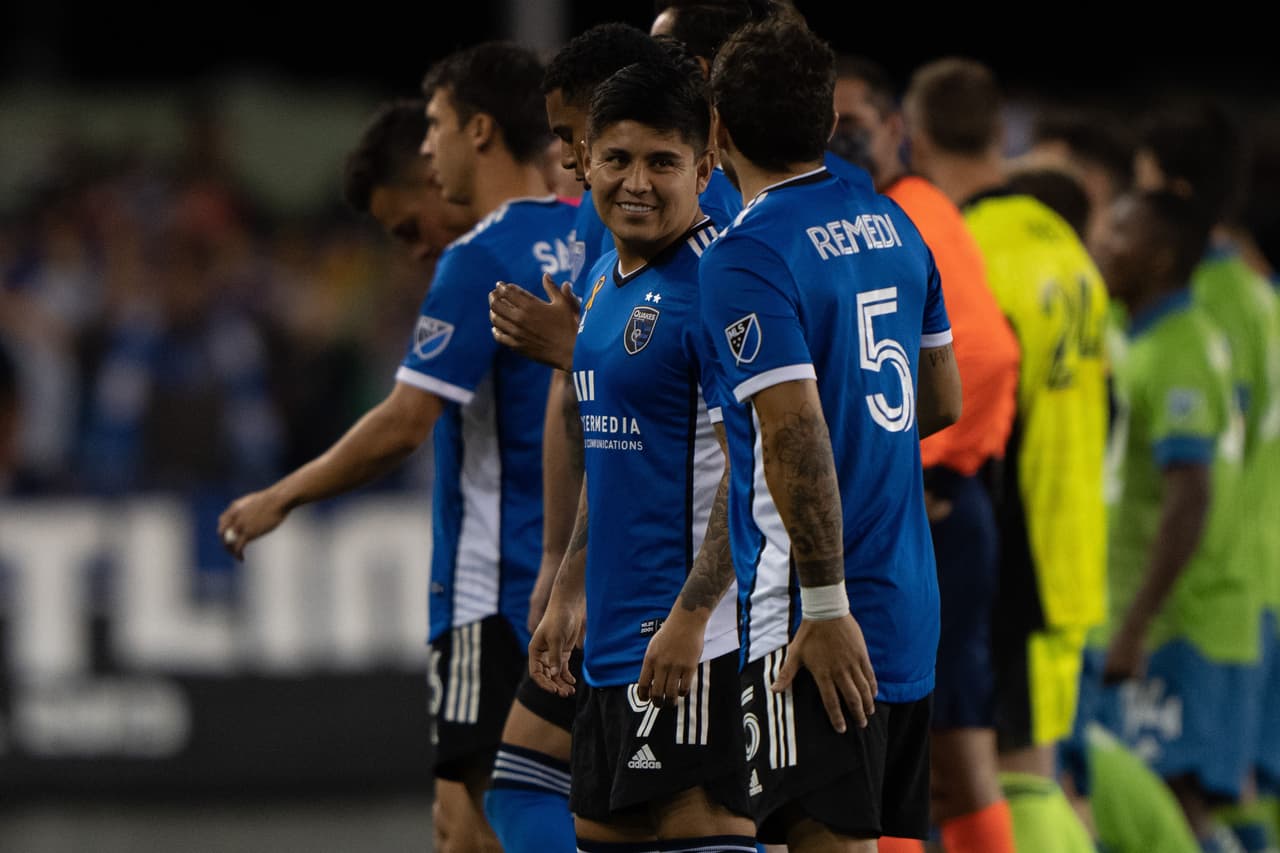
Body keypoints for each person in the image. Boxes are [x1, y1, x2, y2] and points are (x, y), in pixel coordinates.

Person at [217, 41, 574, 851]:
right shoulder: (597, 231)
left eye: (438, 127)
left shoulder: (481, 258)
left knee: (480, 821)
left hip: (497, 588)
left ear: (477, 133)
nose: (430, 146)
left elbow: (405, 422)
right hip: (586, 582)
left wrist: (281, 494)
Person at [667, 19, 960, 851]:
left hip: (813, 618)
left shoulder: (746, 254)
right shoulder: (894, 222)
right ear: (829, 120)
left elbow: (792, 431)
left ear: (716, 129)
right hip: (906, 601)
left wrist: (826, 604)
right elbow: (943, 398)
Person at [528, 57, 754, 852]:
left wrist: (693, 618)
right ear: (586, 161)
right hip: (615, 640)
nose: (636, 182)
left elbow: (751, 469)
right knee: (599, 831)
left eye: (662, 161)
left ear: (704, 167)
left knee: (697, 828)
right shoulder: (601, 279)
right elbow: (616, 448)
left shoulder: (721, 285)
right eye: (617, 158)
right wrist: (569, 586)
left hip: (696, 643)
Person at [482, 24, 690, 853]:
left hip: (674, 584)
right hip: (617, 567)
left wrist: (572, 349)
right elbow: (603, 408)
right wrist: (565, 572)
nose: (564, 156)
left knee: (714, 817)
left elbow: (668, 406)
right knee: (578, 805)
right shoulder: (604, 241)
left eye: (572, 134)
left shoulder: (679, 235)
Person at [903, 57, 1108, 853]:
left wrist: (933, 472)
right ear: (999, 134)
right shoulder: (1064, 243)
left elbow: (981, 368)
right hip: (1072, 544)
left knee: (1001, 776)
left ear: (916, 138)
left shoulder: (971, 244)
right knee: (1034, 773)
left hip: (1007, 539)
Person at [828, 54, 1020, 853]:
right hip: (935, 503)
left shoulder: (905, 213)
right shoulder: (897, 211)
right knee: (919, 754)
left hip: (937, 501)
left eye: (850, 121)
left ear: (895, 128)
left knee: (933, 751)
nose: (836, 135)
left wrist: (936, 459)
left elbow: (988, 356)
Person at [1089, 188, 1254, 853]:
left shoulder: (1180, 348)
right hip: (1153, 613)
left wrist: (1136, 626)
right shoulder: (1141, 332)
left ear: (1160, 257)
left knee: (1172, 804)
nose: (1103, 242)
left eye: (1120, 231)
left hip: (1181, 621)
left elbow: (1193, 496)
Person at [1135, 99, 1280, 853]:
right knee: (1228, 790)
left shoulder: (1201, 305)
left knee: (1176, 795)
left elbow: (1198, 468)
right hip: (1247, 580)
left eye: (1141, 186)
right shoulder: (1258, 293)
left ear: (1176, 194)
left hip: (1193, 593)